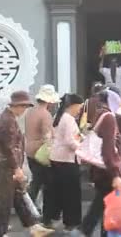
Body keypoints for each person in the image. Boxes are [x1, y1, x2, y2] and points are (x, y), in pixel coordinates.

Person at [0, 91, 53, 236]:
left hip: (7, 166)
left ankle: (33, 226)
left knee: (18, 197)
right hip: (6, 167)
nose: (24, 110)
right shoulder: (8, 120)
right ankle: (1, 232)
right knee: (5, 201)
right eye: (23, 106)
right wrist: (16, 168)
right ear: (17, 106)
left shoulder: (9, 118)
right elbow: (9, 147)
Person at [78, 89, 121, 237]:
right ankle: (82, 232)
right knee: (100, 207)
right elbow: (108, 149)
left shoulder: (99, 114)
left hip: (100, 170)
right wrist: (116, 174)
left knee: (103, 207)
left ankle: (88, 231)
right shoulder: (109, 118)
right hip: (107, 171)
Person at [43, 93, 84, 232]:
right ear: (73, 105)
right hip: (67, 160)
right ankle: (71, 222)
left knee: (56, 192)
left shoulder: (58, 117)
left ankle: (50, 218)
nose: (80, 109)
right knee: (71, 193)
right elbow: (70, 141)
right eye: (79, 106)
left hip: (57, 159)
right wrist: (82, 148)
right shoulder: (69, 119)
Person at [25, 85, 60, 203]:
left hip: (29, 149)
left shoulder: (30, 112)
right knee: (43, 183)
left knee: (36, 181)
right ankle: (30, 209)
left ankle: (30, 208)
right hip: (40, 152)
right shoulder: (45, 114)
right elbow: (47, 136)